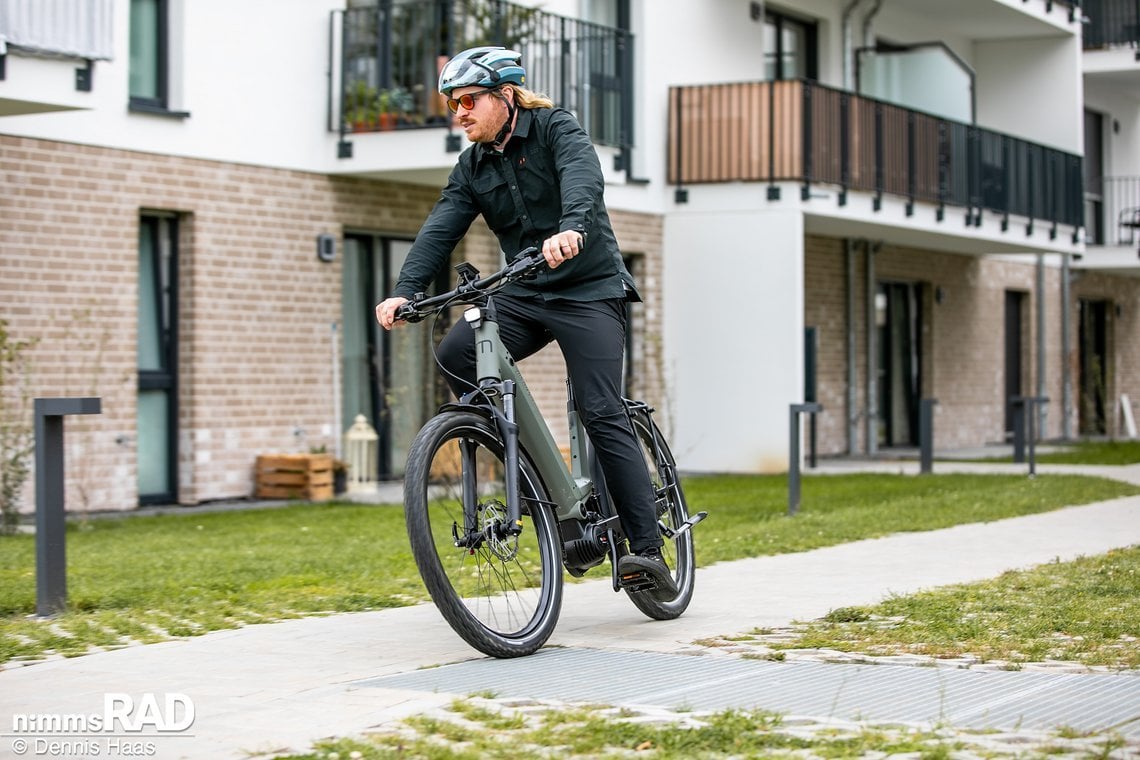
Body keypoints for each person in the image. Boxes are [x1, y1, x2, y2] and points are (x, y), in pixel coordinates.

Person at [374, 46, 676, 598]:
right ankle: (539, 481)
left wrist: (571, 229)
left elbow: (584, 183)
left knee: (601, 408)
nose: (458, 112)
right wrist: (405, 291)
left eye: (468, 100)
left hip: (587, 290)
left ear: (505, 96)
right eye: (452, 104)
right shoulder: (471, 167)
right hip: (526, 291)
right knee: (457, 352)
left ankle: (644, 549)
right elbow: (441, 227)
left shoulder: (557, 128)